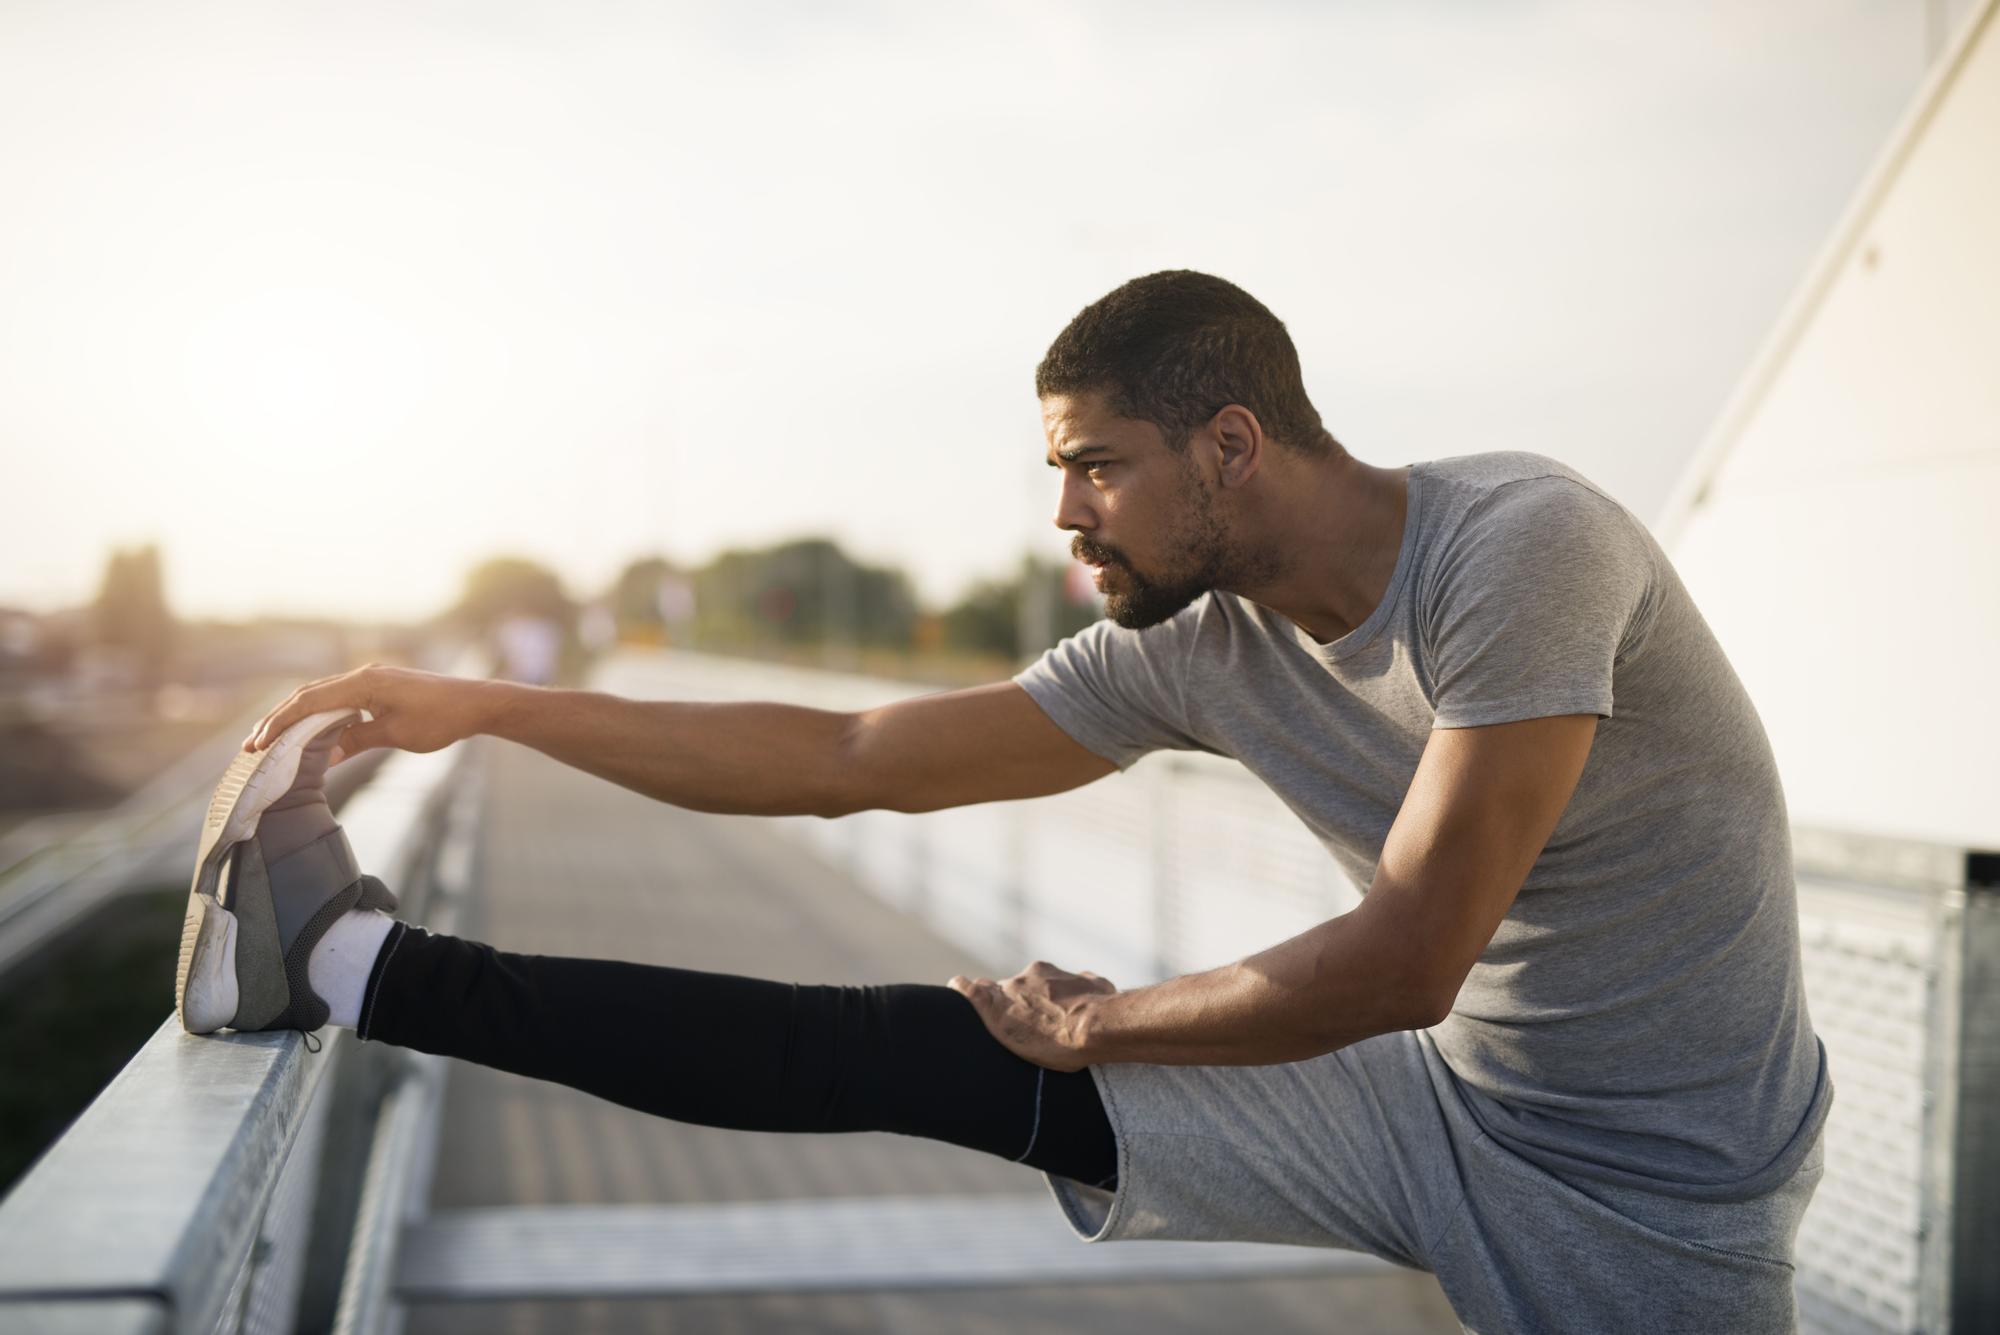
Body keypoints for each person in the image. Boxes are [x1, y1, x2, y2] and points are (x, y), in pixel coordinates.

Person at [188, 271, 1830, 1333]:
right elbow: (850, 767)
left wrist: (1108, 1025)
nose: (1064, 512)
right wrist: (484, 710)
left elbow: (1408, 954)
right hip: (1441, 1102)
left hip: (1662, 1190)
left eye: (1095, 465)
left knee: (1030, 1040)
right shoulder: (1196, 647)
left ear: (1233, 447)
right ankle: (349, 967)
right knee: (917, 1050)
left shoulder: (1523, 550)